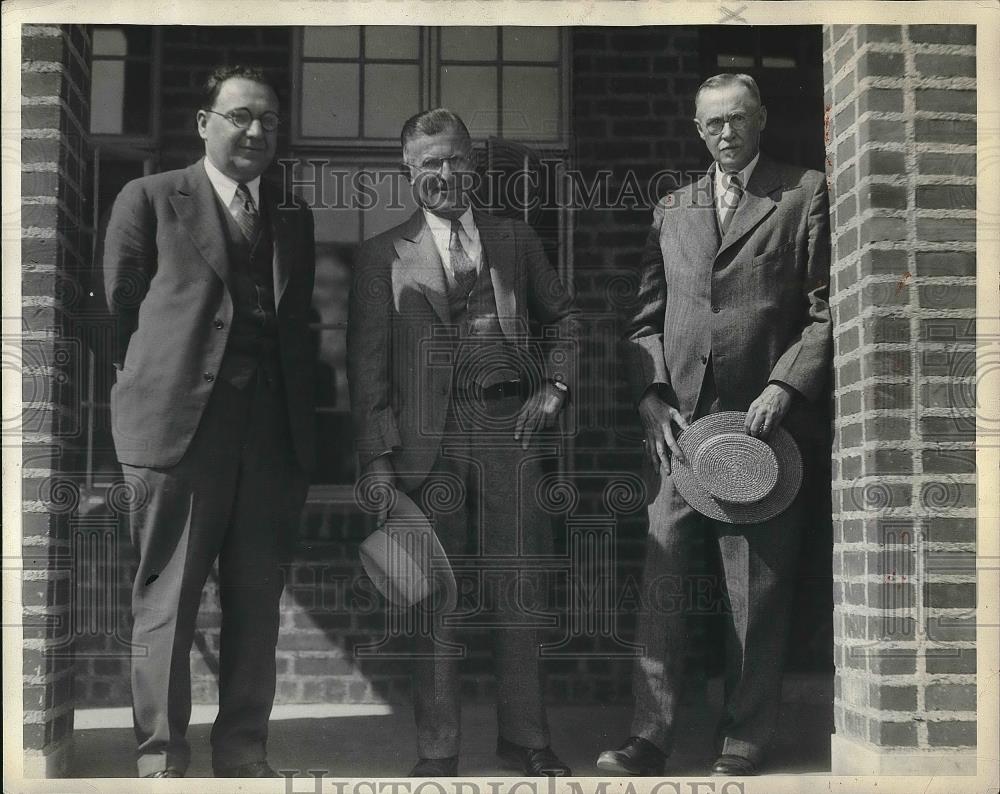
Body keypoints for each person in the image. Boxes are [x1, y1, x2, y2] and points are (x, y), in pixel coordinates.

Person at [597, 73, 832, 777]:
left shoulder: (802, 192)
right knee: (664, 581)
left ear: (760, 118)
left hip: (764, 431)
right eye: (712, 125)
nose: (725, 134)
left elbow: (826, 310)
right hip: (681, 436)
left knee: (753, 590)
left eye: (737, 119)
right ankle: (650, 735)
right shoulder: (674, 208)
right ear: (698, 131)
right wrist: (650, 396)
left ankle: (745, 735)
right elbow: (642, 323)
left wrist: (786, 385)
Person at [347, 108, 578, 777]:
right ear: (408, 172)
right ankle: (438, 749)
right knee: (432, 599)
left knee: (520, 590)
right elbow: (367, 368)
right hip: (426, 447)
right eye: (428, 165)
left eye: (453, 161)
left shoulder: (515, 239)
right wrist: (377, 460)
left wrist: (555, 390)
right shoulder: (380, 256)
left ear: (473, 164)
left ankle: (526, 740)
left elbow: (564, 319)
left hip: (511, 433)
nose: (443, 176)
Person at [102, 65, 316, 778]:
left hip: (270, 444)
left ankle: (244, 751)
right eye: (240, 116)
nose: (256, 132)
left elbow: (301, 329)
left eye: (270, 121)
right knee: (166, 603)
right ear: (205, 123)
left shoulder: (291, 214)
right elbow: (116, 318)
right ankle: (162, 757)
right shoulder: (151, 199)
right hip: (177, 436)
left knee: (257, 604)